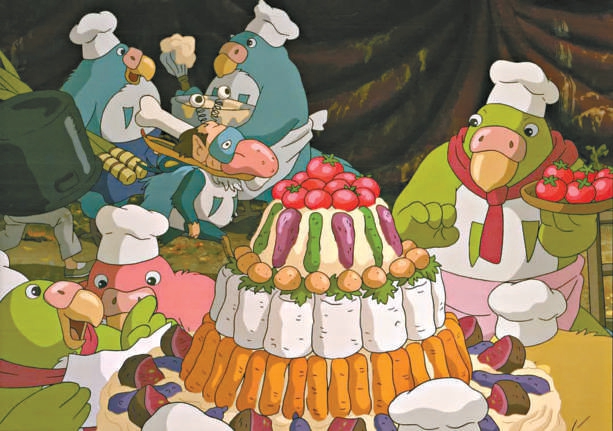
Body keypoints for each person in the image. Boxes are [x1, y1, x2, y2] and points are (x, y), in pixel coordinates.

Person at [0, 207, 94, 278]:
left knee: (11, 238)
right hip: (21, 207)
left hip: (13, 208)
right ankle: (71, 266)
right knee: (63, 215)